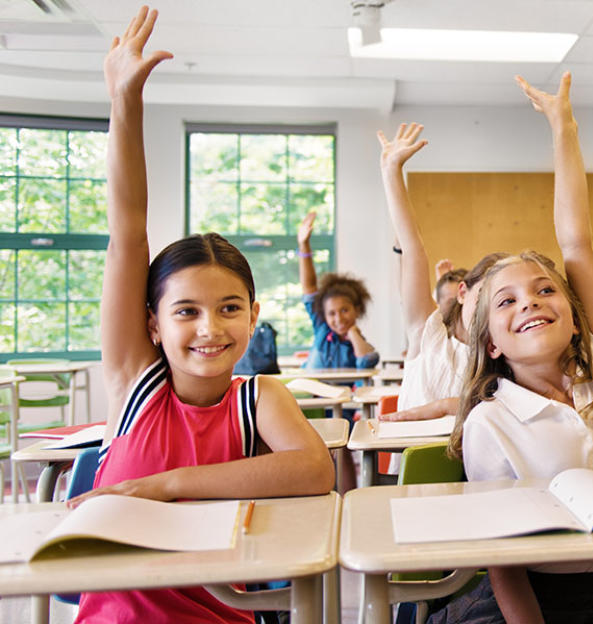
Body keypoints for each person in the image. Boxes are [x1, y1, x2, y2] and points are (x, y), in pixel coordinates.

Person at [71, 7, 334, 622]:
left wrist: (167, 485)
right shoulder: (135, 380)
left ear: (253, 315)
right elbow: (127, 233)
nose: (210, 328)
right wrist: (124, 101)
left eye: (229, 308)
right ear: (153, 324)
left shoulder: (257, 398)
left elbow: (315, 469)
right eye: (186, 311)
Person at [430, 72, 593, 624]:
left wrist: (563, 128)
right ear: (491, 344)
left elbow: (576, 240)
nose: (529, 302)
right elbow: (505, 564)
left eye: (545, 290)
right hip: (522, 610)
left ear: (574, 317)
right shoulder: (490, 421)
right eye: (506, 301)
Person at [376, 122, 507, 425]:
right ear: (462, 292)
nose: (489, 308)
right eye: (483, 295)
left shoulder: (502, 357)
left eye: (504, 301)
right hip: (411, 453)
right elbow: (413, 249)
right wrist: (392, 172)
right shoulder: (429, 334)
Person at [296, 210, 379, 370]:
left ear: (357, 310)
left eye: (344, 310)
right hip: (311, 386)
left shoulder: (358, 343)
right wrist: (304, 245)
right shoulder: (322, 328)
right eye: (331, 313)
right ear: (324, 315)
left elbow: (367, 362)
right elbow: (309, 287)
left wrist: (353, 334)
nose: (339, 318)